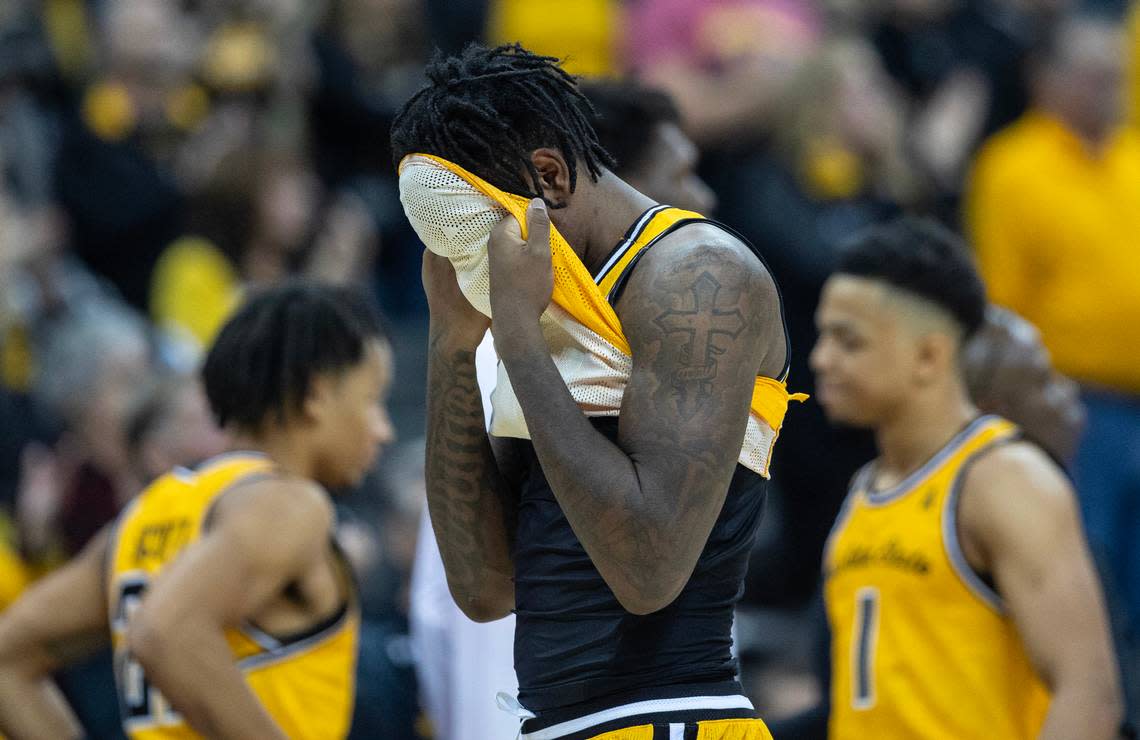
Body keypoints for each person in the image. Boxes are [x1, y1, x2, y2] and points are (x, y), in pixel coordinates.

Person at [393, 44, 797, 737]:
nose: (482, 263)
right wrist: (452, 346)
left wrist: (517, 338)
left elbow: (648, 570)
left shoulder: (699, 277)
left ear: (548, 176)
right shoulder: (555, 312)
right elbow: (487, 588)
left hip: (669, 715)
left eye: (482, 234)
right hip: (558, 722)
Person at [0, 281, 395, 739]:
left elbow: (9, 659)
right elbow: (164, 631)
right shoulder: (289, 505)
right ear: (316, 395)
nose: (382, 429)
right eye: (372, 400)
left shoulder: (144, 514)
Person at [811, 217, 1121, 738]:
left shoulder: (1003, 479)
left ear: (928, 355)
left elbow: (1089, 693)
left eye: (849, 342)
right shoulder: (865, 488)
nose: (822, 359)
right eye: (823, 337)